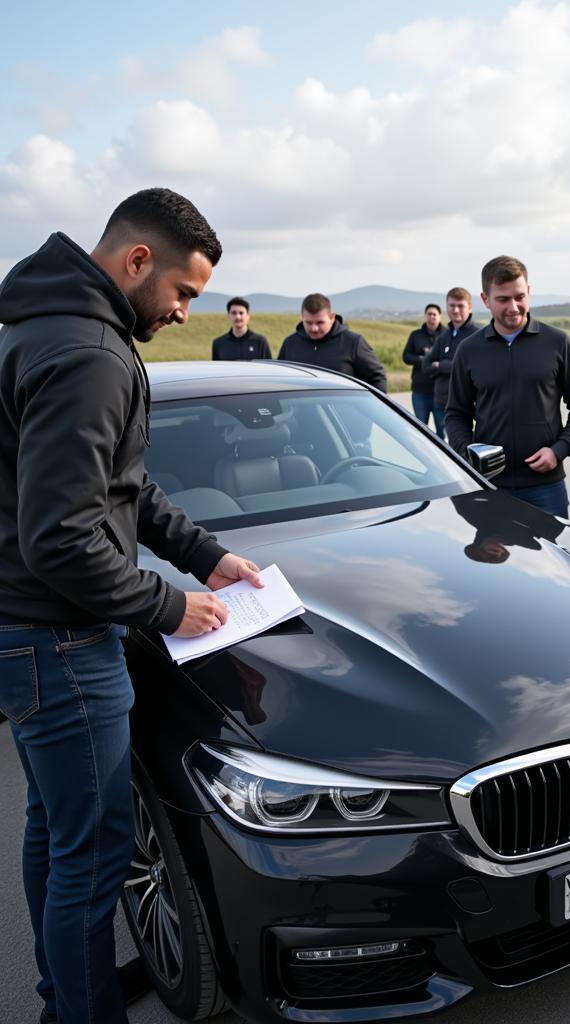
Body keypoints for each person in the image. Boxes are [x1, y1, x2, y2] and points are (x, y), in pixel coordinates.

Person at [0, 187, 262, 1024]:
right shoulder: (91, 356)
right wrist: (169, 604)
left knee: (57, 830)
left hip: (27, 633)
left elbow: (121, 483)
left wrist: (204, 553)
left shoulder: (44, 324)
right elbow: (63, 537)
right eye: (184, 292)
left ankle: (64, 992)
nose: (187, 312)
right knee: (95, 850)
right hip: (60, 640)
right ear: (136, 260)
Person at [446, 255, 570, 518]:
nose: (513, 307)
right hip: (488, 485)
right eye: (503, 299)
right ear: (485, 300)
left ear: (529, 293)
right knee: (491, 561)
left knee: (551, 560)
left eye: (520, 296)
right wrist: (468, 456)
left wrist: (559, 450)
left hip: (546, 487)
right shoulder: (468, 350)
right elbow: (456, 414)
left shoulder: (558, 342)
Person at [278, 293, 388, 392]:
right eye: (309, 322)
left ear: (332, 317)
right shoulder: (290, 344)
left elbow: (377, 378)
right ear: (302, 318)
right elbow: (278, 381)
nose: (314, 328)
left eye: (320, 322)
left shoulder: (353, 342)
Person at [422, 286, 483, 425]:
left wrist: (441, 365)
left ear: (470, 307)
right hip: (441, 402)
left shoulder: (478, 335)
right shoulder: (444, 336)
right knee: (438, 443)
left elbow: (474, 368)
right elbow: (426, 364)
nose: (455, 310)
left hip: (467, 407)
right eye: (452, 305)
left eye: (460, 306)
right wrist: (450, 365)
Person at [402, 303, 445, 436]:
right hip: (420, 392)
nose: (432, 317)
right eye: (429, 314)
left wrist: (437, 362)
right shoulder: (416, 335)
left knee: (442, 433)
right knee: (421, 432)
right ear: (425, 316)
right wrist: (423, 360)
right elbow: (406, 356)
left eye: (434, 314)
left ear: (440, 316)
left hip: (440, 392)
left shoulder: (447, 335)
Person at [210, 296, 271, 360]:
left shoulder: (260, 342)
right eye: (234, 313)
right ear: (228, 315)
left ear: (248, 316)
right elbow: (216, 369)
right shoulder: (218, 343)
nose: (238, 317)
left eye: (241, 313)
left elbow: (269, 368)